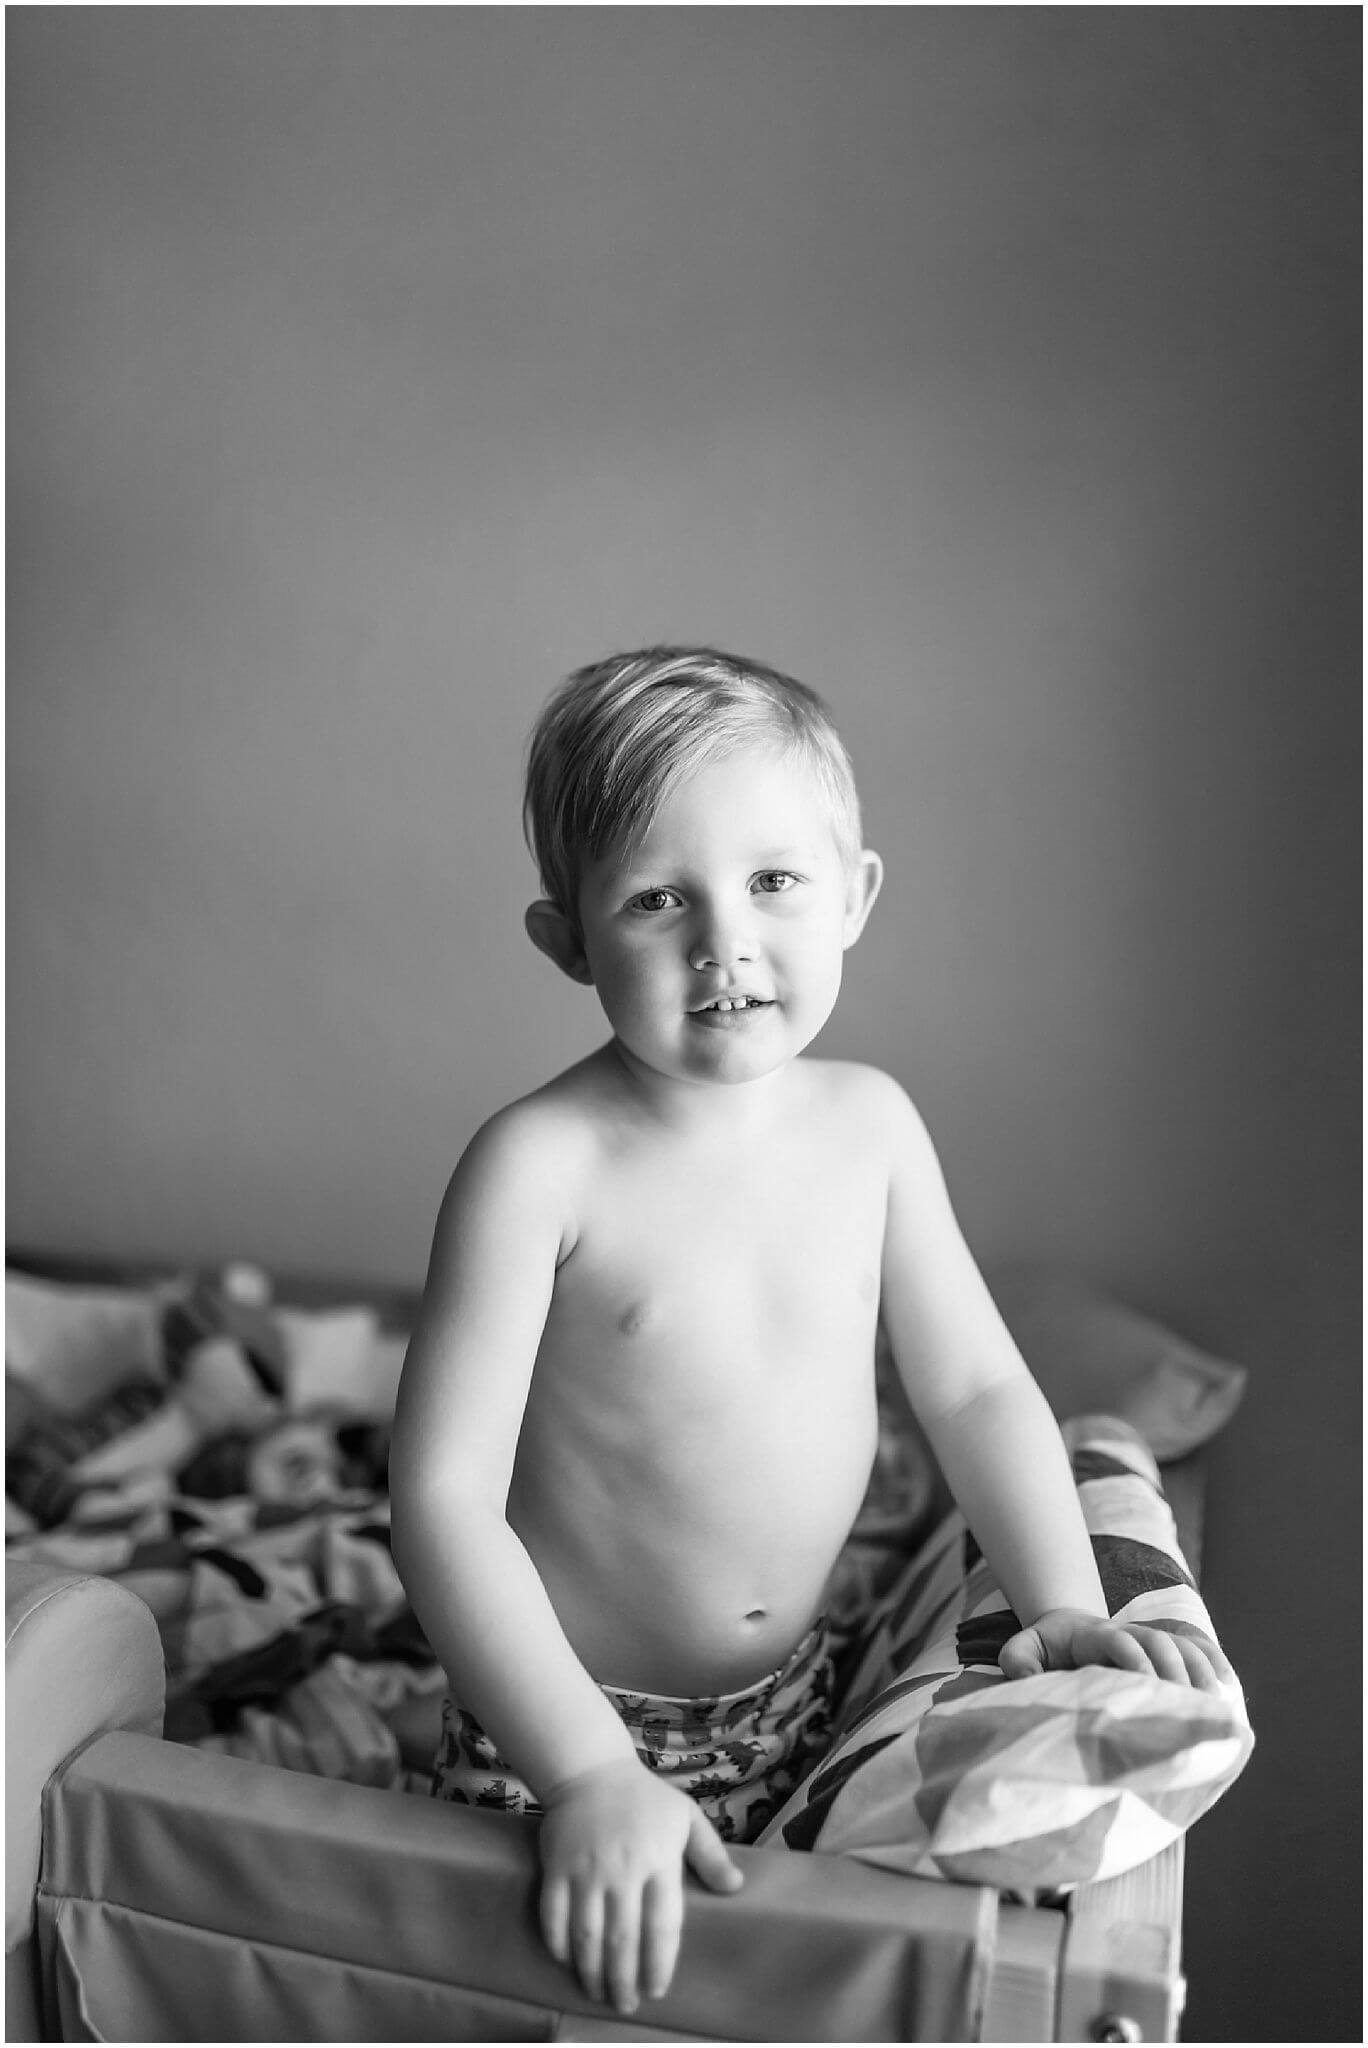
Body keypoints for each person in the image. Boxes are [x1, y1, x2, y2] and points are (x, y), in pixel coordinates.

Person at [389, 646, 1231, 2019]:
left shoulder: (872, 1128)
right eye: (657, 899)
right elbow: (439, 1501)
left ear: (855, 896)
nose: (725, 943)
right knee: (556, 2002)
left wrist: (1067, 1601)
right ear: (568, 940)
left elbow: (971, 1388)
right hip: (559, 1726)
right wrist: (588, 1774)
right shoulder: (536, 1165)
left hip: (797, 1688)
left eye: (774, 881)